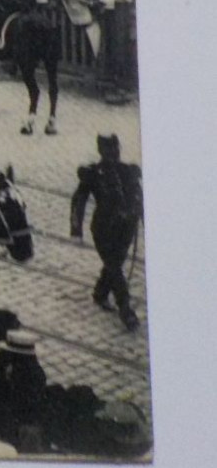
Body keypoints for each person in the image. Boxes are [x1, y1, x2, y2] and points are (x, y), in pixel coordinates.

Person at [71, 134, 143, 331]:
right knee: (114, 267)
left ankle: (100, 292)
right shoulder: (93, 173)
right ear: (100, 151)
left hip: (126, 229)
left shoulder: (129, 171)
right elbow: (79, 200)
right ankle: (126, 310)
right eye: (108, 150)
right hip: (103, 229)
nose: (113, 154)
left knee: (115, 264)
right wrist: (76, 230)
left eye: (116, 149)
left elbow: (140, 199)